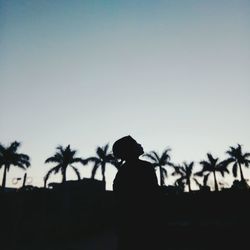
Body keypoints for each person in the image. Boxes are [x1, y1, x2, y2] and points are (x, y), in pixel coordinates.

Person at [112, 136, 162, 250]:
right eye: (135, 143)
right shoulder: (145, 167)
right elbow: (153, 196)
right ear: (130, 150)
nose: (139, 144)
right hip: (146, 226)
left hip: (129, 228)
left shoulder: (122, 172)